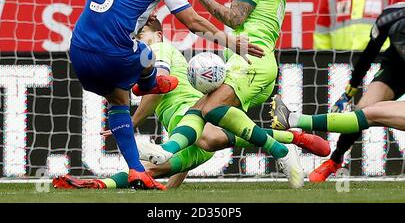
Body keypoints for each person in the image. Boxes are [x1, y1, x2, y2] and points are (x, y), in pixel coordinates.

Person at [69, 0, 264, 191]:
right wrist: (231, 41)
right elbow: (192, 22)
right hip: (115, 53)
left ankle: (137, 170)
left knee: (117, 101)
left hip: (78, 50)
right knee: (148, 51)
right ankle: (150, 83)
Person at [54, 19, 330, 190]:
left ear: (157, 35)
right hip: (191, 138)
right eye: (136, 39)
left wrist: (131, 122)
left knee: (207, 136)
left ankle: (287, 141)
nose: (138, 43)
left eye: (142, 37)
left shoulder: (158, 50)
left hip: (193, 117)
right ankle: (98, 184)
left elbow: (156, 91)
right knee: (146, 173)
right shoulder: (144, 57)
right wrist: (174, 186)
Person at [135, 0, 309, 188]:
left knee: (205, 111)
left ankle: (281, 149)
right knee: (202, 119)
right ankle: (168, 151)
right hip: (259, 63)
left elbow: (234, 18)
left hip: (250, 61)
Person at [271, 3, 405, 141]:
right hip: (394, 70)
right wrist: (348, 93)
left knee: (370, 113)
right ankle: (295, 122)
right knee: (368, 112)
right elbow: (368, 55)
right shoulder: (391, 18)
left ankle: (293, 120)